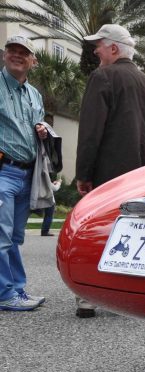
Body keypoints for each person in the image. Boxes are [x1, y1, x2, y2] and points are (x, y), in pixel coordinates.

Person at [75, 24, 145, 318]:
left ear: (114, 49)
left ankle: (88, 296)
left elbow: (91, 130)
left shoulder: (102, 77)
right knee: (135, 231)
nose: (95, 50)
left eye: (99, 45)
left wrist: (83, 173)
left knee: (98, 231)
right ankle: (131, 296)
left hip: (110, 173)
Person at [0, 35, 48, 311]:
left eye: (23, 52)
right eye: (12, 50)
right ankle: (5, 294)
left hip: (26, 174)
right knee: (1, 236)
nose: (17, 55)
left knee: (15, 237)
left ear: (33, 60)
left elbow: (35, 124)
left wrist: (41, 129)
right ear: (5, 55)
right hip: (3, 171)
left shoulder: (34, 94)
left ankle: (17, 289)